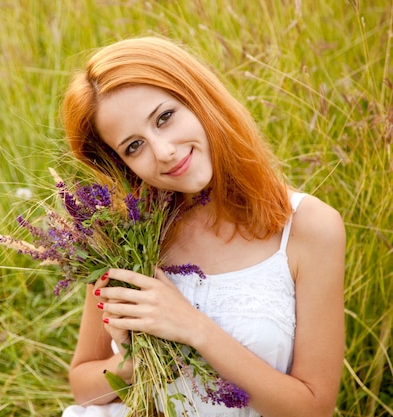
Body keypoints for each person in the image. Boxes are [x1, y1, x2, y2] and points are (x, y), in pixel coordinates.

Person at [59, 37, 345, 417]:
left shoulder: (310, 227)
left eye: (165, 117)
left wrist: (191, 328)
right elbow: (82, 387)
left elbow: (314, 409)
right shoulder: (127, 234)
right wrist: (135, 359)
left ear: (199, 97)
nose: (164, 152)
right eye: (133, 146)